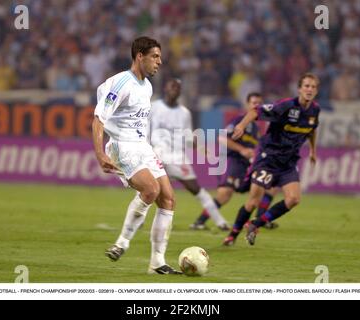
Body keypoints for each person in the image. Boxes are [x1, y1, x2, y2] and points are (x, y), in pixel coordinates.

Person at [92, 36, 182, 274]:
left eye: (160, 57)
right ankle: (121, 243)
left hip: (142, 146)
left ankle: (157, 262)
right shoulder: (122, 83)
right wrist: (100, 153)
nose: (159, 62)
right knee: (150, 189)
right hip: (122, 146)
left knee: (169, 198)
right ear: (139, 56)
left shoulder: (148, 86)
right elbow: (98, 119)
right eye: (155, 56)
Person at [231, 73, 320, 245]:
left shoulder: (315, 110)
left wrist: (313, 151)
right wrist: (241, 125)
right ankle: (232, 234)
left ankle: (256, 224)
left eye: (313, 87)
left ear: (316, 91)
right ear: (300, 89)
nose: (309, 89)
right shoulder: (286, 106)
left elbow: (312, 129)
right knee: (253, 201)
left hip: (288, 162)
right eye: (307, 86)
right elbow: (256, 111)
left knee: (294, 199)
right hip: (269, 159)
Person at [189, 93, 278, 236]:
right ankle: (199, 221)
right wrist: (242, 150)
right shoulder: (239, 120)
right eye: (254, 102)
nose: (256, 105)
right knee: (224, 194)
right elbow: (222, 139)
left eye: (259, 103)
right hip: (231, 161)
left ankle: (260, 220)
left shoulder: (256, 129)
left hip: (245, 166)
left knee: (269, 186)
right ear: (247, 105)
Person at [150, 78, 230, 231]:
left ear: (180, 92)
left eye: (178, 87)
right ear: (165, 88)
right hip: (156, 155)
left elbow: (187, 136)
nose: (174, 88)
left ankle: (220, 222)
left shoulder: (184, 113)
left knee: (196, 189)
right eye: (172, 85)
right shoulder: (153, 107)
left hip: (177, 157)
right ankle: (137, 222)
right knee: (148, 188)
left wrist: (201, 148)